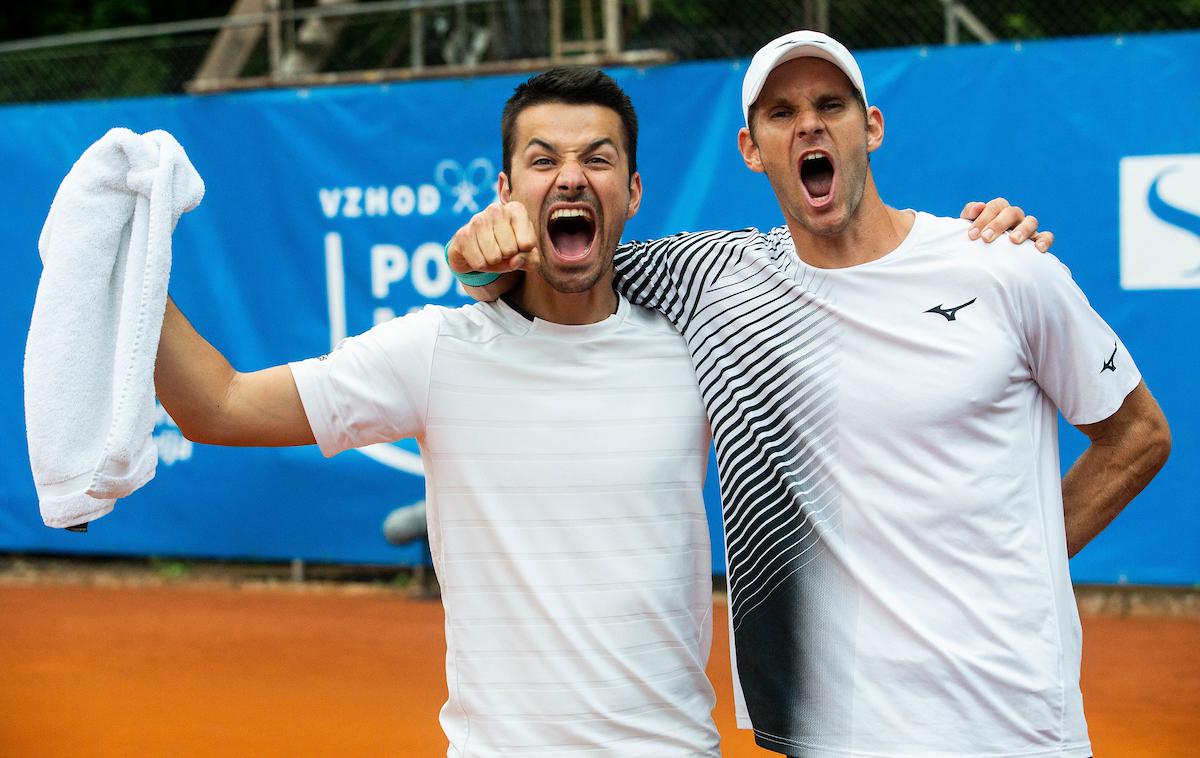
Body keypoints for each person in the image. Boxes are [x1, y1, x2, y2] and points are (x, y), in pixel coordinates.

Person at [447, 33, 1171, 758]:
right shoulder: (715, 281)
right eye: (781, 112)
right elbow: (569, 267)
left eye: (831, 104)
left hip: (1012, 729)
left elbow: (1138, 433)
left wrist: (1025, 565)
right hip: (831, 734)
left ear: (872, 127)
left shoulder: (1001, 267)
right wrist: (475, 267)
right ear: (751, 148)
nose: (809, 125)